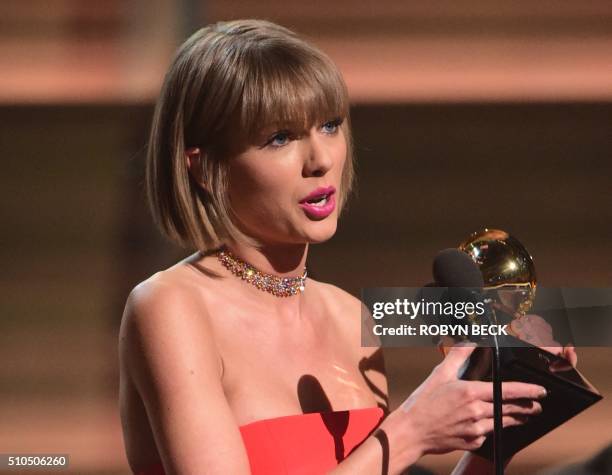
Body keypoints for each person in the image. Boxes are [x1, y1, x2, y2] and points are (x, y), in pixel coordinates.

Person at [118, 19, 573, 475]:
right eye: (280, 138)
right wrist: (410, 430)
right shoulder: (170, 307)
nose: (320, 159)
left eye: (330, 126)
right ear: (204, 167)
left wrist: (498, 425)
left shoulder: (348, 316)